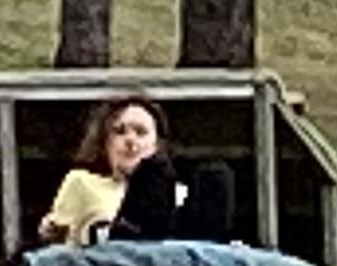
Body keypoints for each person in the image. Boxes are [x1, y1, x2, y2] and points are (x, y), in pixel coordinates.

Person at [37, 96, 235, 248]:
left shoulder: (177, 190)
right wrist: (49, 230)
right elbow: (54, 238)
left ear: (157, 144)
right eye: (119, 131)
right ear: (104, 142)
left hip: (170, 261)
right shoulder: (82, 182)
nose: (131, 140)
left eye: (141, 132)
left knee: (215, 175)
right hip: (115, 261)